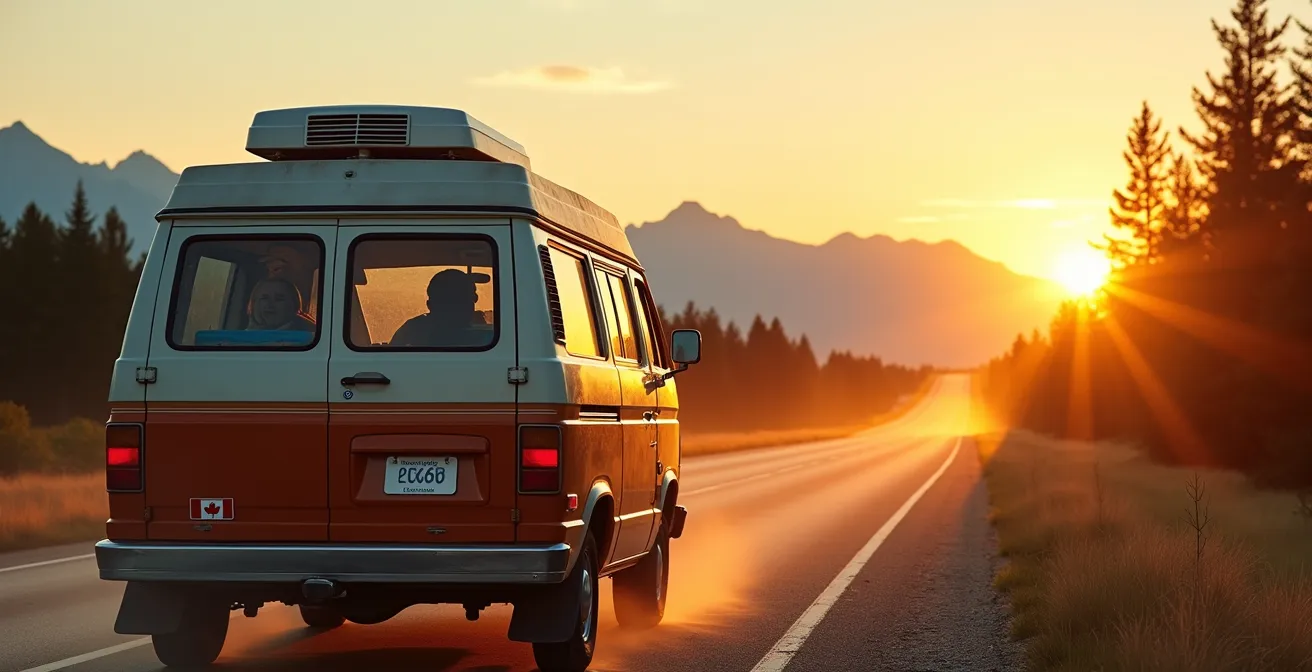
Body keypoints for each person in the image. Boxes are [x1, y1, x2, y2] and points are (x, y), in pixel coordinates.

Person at [390, 269, 487, 347]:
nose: (470, 305)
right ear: (431, 305)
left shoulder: (411, 331)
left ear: (429, 305)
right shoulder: (485, 336)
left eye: (468, 298)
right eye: (453, 300)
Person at [245, 277, 316, 332]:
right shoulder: (239, 338)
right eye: (264, 298)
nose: (270, 304)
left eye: (279, 299)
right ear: (254, 303)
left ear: (294, 305)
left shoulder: (308, 338)